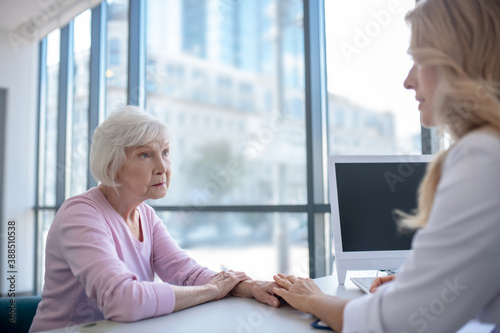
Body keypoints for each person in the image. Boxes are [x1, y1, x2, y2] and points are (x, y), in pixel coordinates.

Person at [272, 0, 500, 332]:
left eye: (419, 60)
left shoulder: (482, 157)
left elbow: (397, 325)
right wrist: (422, 284)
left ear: (458, 63)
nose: (408, 82)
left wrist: (313, 299)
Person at [30, 106, 280, 332]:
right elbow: (123, 301)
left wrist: (252, 287)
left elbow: (186, 273)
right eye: (145, 155)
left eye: (165, 152)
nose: (163, 167)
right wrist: (210, 292)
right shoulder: (81, 214)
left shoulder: (146, 215)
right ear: (112, 166)